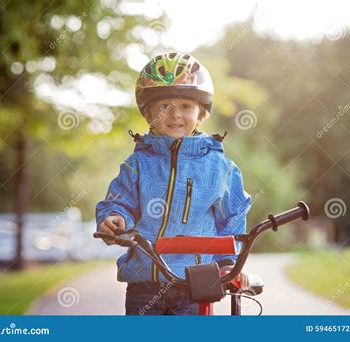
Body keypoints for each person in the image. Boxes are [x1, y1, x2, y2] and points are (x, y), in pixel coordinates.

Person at [96, 52, 252, 315]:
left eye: (186, 107)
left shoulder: (220, 168)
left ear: (201, 114)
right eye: (165, 106)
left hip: (198, 280)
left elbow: (233, 218)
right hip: (144, 282)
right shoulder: (137, 164)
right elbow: (119, 201)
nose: (175, 115)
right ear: (148, 113)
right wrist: (115, 217)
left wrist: (228, 262)